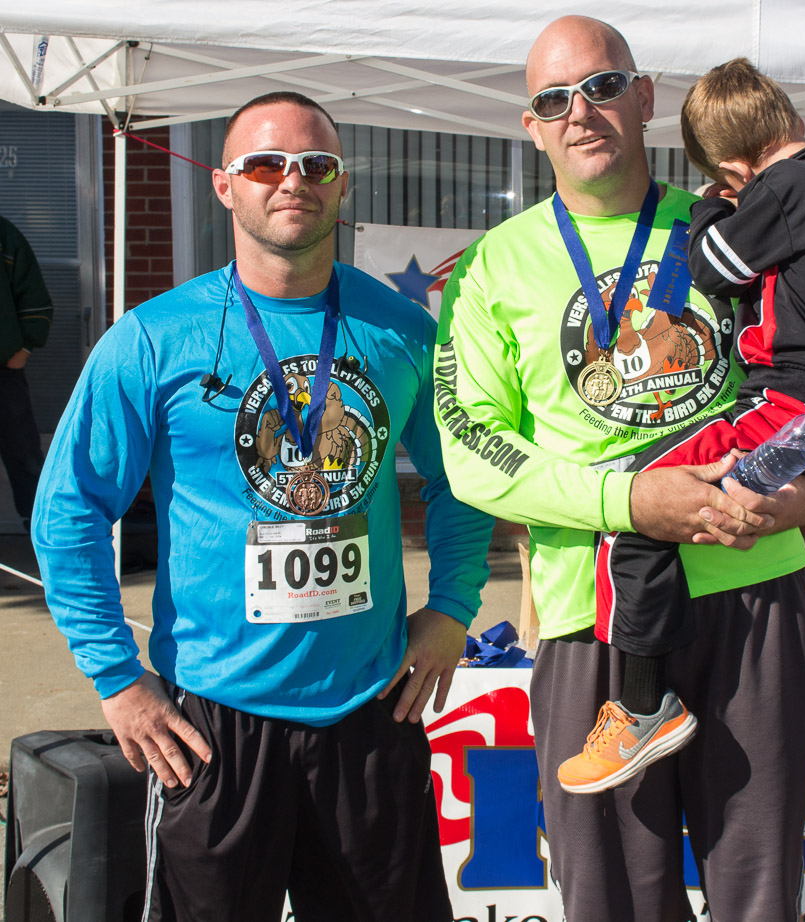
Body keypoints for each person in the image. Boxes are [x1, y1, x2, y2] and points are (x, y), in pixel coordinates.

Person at [435, 16, 805, 922]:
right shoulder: (493, 265)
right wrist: (626, 499)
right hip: (595, 612)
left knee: (758, 895)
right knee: (614, 900)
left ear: (644, 98)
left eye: (601, 87)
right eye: (555, 98)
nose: (580, 111)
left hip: (753, 589)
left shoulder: (737, 219)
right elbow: (470, 447)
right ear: (531, 126)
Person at [33, 91, 493, 922]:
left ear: (343, 185)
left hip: (368, 708)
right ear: (224, 185)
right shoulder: (154, 338)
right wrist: (116, 678)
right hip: (212, 727)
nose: (293, 180)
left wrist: (454, 607)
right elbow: (69, 511)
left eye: (317, 164)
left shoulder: (401, 331)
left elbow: (461, 476)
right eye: (266, 164)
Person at [557, 56, 805, 794]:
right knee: (658, 498)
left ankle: (643, 707)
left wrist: (710, 207)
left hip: (790, 406)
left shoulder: (798, 184)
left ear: (734, 166)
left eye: (729, 181)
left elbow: (714, 264)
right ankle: (651, 694)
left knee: (636, 499)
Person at [0, 214, 52, 532]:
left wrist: (23, 349)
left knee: (25, 457)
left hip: (4, 372)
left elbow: (34, 298)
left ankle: (43, 536)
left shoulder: (4, 235)